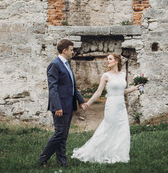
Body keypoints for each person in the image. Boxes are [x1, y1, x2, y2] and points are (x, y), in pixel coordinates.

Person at [71, 53, 141, 163]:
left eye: (110, 59)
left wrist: (134, 88)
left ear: (117, 61)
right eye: (107, 59)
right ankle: (98, 151)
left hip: (121, 105)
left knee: (121, 128)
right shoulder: (106, 76)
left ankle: (118, 153)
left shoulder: (123, 74)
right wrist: (87, 103)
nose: (107, 61)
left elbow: (122, 91)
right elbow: (98, 92)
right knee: (108, 127)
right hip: (111, 105)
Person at [38, 39, 89, 168]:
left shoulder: (66, 64)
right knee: (59, 133)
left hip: (68, 105)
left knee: (63, 135)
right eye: (71, 50)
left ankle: (62, 163)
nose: (73, 52)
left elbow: (72, 86)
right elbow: (53, 88)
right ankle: (43, 158)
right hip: (60, 107)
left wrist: (81, 101)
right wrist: (57, 107)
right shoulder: (54, 64)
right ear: (64, 50)